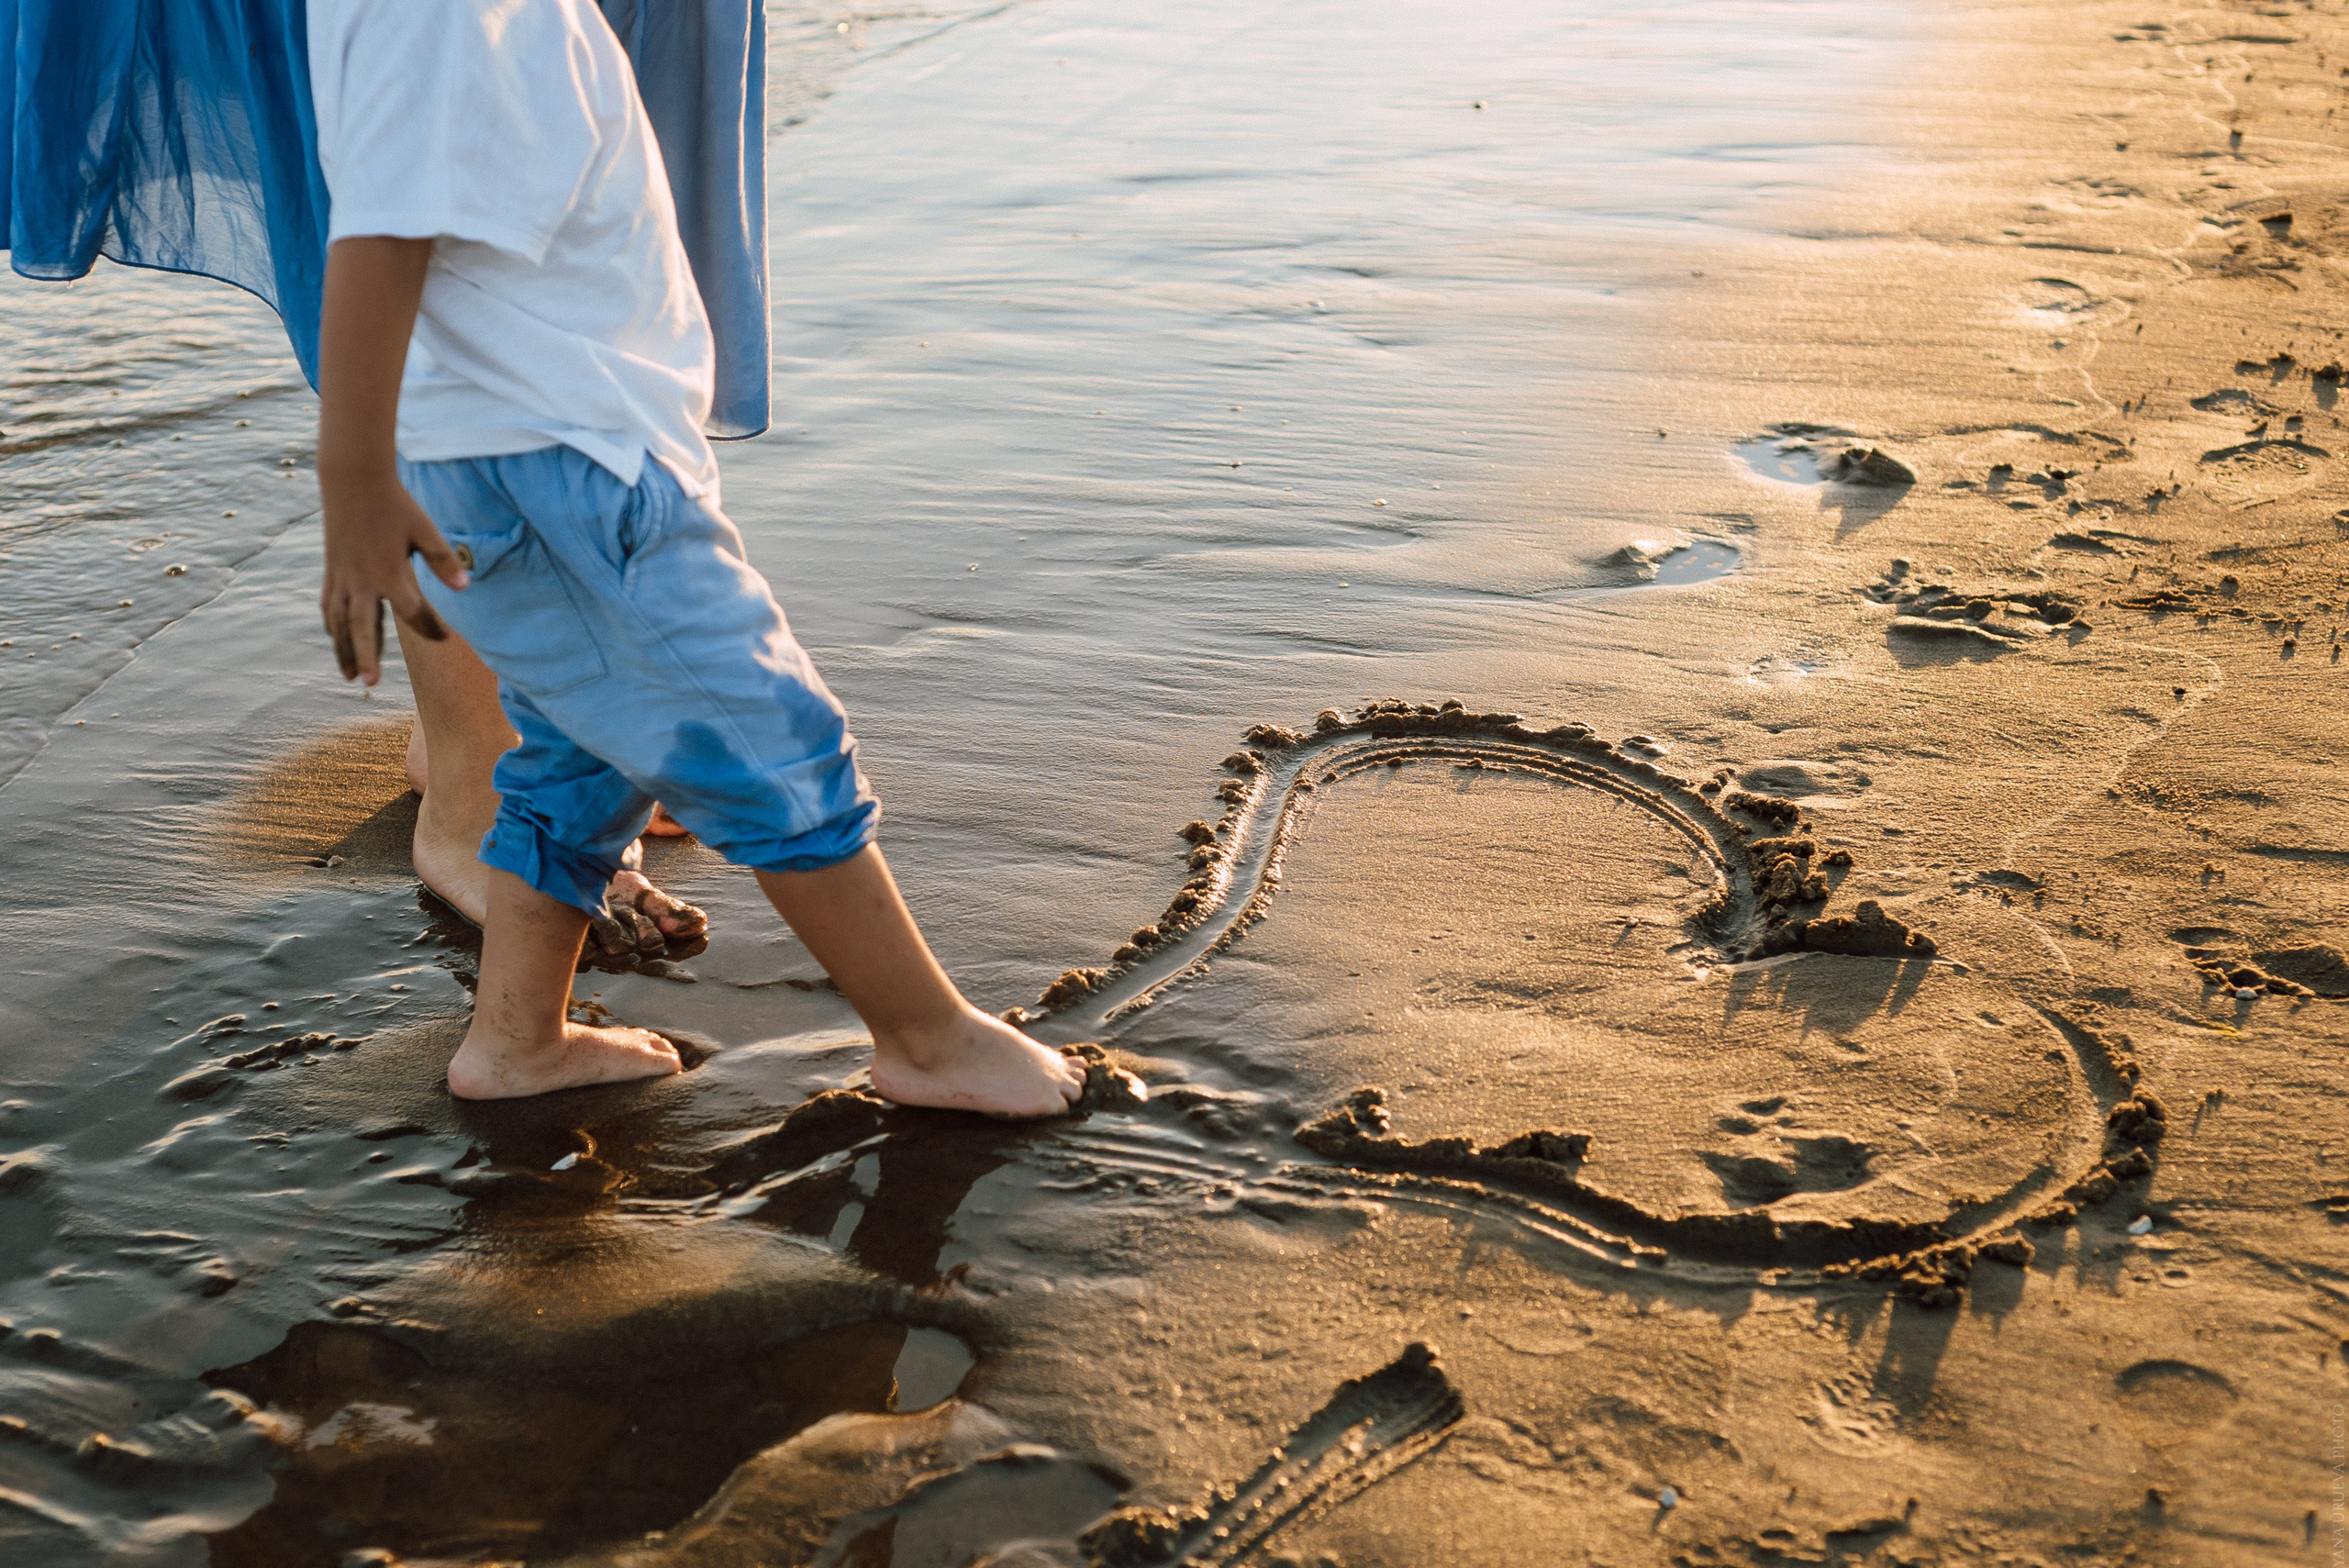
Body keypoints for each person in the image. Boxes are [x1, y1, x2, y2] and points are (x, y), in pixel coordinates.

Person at [306, 0, 1085, 1115]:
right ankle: (925, 1036)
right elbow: (380, 230)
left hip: (527, 453)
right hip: (563, 469)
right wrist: (353, 477)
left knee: (577, 759)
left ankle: (516, 1040)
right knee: (764, 730)